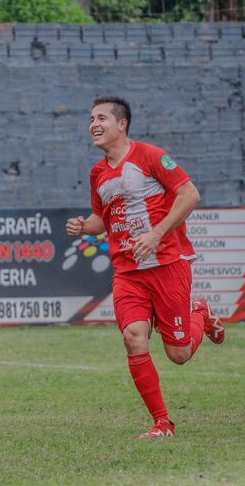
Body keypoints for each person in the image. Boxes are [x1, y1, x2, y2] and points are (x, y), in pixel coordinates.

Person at [66, 96, 224, 438]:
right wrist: (83, 225)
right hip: (128, 272)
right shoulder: (97, 173)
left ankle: (200, 311)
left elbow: (190, 194)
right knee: (133, 338)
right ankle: (163, 423)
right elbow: (101, 220)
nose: (93, 123)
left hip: (167, 264)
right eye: (91, 118)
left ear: (122, 124)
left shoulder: (150, 156)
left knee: (178, 354)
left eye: (102, 117)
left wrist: (156, 234)